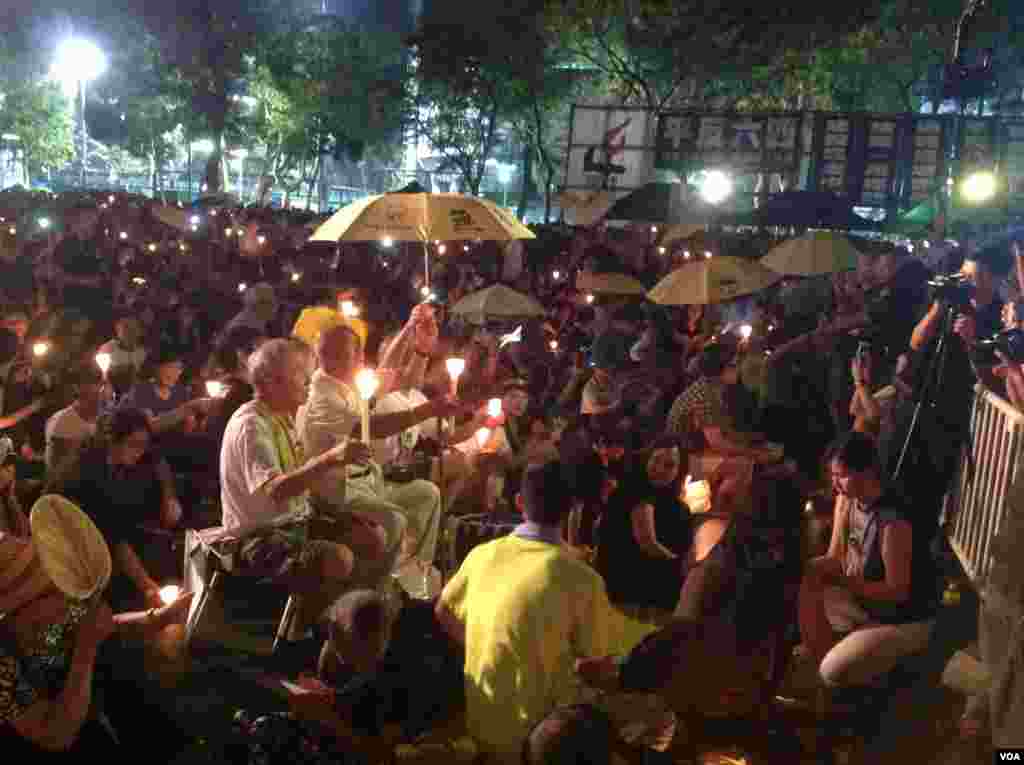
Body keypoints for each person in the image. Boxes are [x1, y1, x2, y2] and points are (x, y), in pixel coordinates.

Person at [435, 460, 612, 763]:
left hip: (481, 724)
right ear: (572, 509)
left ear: (519, 503)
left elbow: (443, 611)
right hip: (542, 743)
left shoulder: (481, 555)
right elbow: (595, 664)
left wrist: (483, 641)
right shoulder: (583, 579)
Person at [216, 338, 377, 639]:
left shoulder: (284, 418)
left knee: (370, 535)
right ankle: (303, 638)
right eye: (300, 373)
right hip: (256, 538)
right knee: (337, 558)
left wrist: (338, 512)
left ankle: (352, 626)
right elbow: (276, 490)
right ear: (271, 381)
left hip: (296, 521)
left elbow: (300, 484)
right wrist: (330, 459)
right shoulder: (252, 425)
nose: (308, 379)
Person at [0, 531, 192, 758]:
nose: (62, 595)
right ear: (13, 612)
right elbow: (54, 733)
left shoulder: (52, 609)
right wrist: (86, 646)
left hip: (90, 713)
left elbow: (100, 624)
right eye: (46, 590)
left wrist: (158, 617)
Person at [298, 324, 456, 590]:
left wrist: (411, 331)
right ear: (328, 357)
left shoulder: (345, 383)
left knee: (427, 494)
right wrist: (426, 411)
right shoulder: (322, 395)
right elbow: (367, 426)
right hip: (338, 492)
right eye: (353, 353)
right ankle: (376, 596)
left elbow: (390, 374)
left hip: (370, 482)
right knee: (394, 521)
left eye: (360, 352)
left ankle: (414, 582)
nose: (361, 359)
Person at [799, 432, 939, 690]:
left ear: (867, 473)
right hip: (863, 601)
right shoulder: (847, 499)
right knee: (800, 583)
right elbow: (835, 558)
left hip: (902, 618)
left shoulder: (892, 520)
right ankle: (833, 660)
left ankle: (874, 673)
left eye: (841, 475)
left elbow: (897, 591)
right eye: (832, 475)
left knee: (832, 670)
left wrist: (844, 583)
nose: (835, 483)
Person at [49, 409, 184, 610]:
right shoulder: (88, 472)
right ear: (113, 439)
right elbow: (113, 537)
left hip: (103, 537)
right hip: (70, 550)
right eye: (135, 444)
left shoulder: (120, 461)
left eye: (143, 446)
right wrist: (147, 585)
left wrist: (169, 497)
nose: (140, 451)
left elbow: (157, 460)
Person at [595, 438, 691, 615]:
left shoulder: (668, 498)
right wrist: (684, 571)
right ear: (647, 458)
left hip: (647, 590)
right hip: (631, 592)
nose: (660, 469)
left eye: (669, 465)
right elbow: (647, 542)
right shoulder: (637, 489)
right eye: (656, 460)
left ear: (679, 471)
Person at [44, 365, 104, 474]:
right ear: (77, 388)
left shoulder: (103, 418)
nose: (95, 389)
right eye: (86, 383)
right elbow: (58, 468)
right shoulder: (62, 420)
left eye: (97, 383)